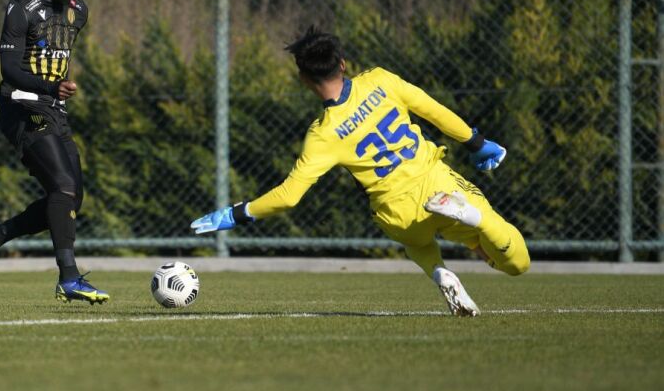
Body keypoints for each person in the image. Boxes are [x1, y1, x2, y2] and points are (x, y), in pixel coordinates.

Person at [191, 27, 530, 316]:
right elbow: (433, 111)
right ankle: (476, 218)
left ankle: (439, 272)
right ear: (342, 63)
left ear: (304, 79)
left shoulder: (322, 134)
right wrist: (476, 142)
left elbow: (289, 196)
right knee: (517, 263)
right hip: (436, 183)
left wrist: (236, 214)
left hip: (396, 213)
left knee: (419, 245)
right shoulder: (380, 80)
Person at [0, 0, 109, 305]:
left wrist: (54, 91)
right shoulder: (21, 9)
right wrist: (50, 86)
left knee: (69, 199)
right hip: (20, 106)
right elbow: (9, 70)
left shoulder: (78, 11)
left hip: (54, 109)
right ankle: (69, 278)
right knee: (62, 187)